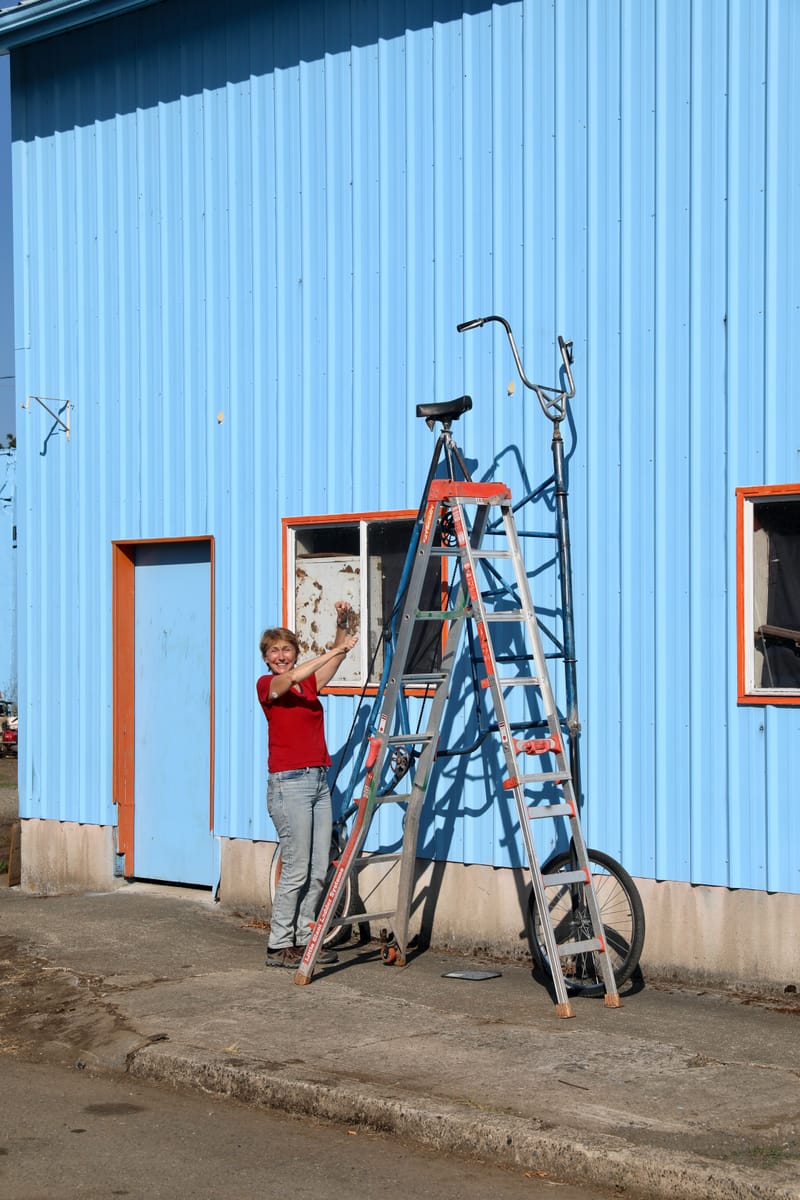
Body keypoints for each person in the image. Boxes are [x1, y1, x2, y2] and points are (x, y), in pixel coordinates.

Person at [257, 600, 358, 968]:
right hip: (289, 785)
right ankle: (278, 944)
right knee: (297, 867)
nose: (281, 656)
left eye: (287, 649)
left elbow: (334, 662)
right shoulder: (269, 685)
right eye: (274, 651)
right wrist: (333, 649)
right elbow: (295, 677)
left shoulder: (308, 686)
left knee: (319, 869)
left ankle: (303, 940)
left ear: (295, 652)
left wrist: (342, 626)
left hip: (317, 781)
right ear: (267, 659)